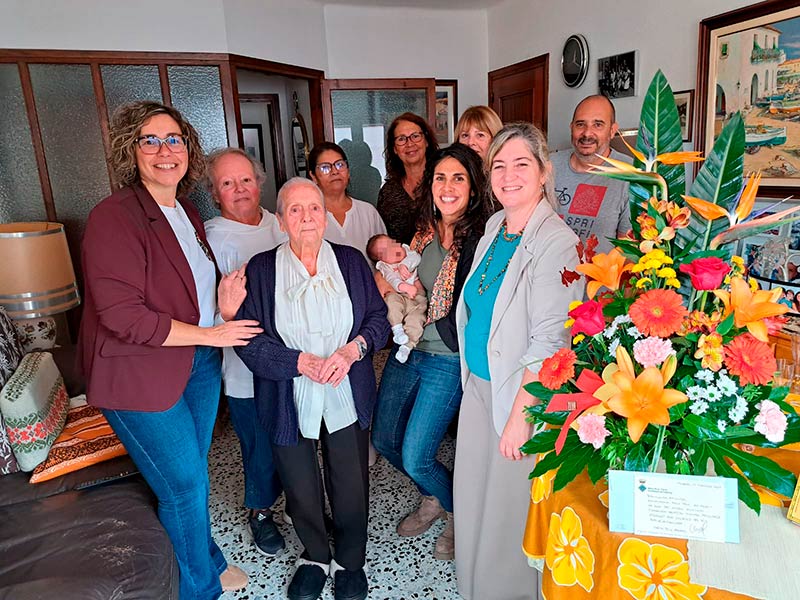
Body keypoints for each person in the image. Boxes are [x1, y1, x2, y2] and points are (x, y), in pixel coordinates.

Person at [78, 101, 261, 599]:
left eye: (174, 139)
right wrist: (211, 336)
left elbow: (186, 287)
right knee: (182, 485)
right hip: (140, 377)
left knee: (192, 477)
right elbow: (122, 316)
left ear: (188, 149)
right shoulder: (114, 216)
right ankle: (200, 589)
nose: (165, 151)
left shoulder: (184, 210)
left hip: (194, 364)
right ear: (130, 150)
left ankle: (203, 559)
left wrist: (221, 308)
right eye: (150, 140)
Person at [234, 178, 389, 600]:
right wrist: (298, 362)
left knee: (351, 480)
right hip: (289, 397)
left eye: (314, 208)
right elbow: (246, 338)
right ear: (281, 221)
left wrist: (354, 350)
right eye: (295, 210)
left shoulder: (353, 262)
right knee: (300, 482)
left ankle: (351, 559)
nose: (307, 218)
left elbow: (378, 320)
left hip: (346, 391)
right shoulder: (261, 270)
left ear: (325, 215)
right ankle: (316, 555)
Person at [453, 122, 584, 600]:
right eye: (499, 166)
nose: (508, 176)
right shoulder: (494, 227)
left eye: (521, 164)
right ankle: (472, 587)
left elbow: (551, 340)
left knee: (509, 510)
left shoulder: (557, 242)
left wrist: (520, 418)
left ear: (545, 171)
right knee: (474, 497)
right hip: (481, 384)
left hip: (521, 398)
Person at [372, 143, 493, 561]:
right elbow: (399, 270)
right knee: (384, 438)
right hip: (409, 349)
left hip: (446, 356)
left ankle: (459, 511)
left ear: (473, 187)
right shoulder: (422, 230)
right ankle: (432, 497)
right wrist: (387, 285)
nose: (447, 186)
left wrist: (424, 323)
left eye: (458, 177)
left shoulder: (482, 238)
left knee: (418, 455)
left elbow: (476, 304)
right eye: (440, 177)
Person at [204, 147, 288, 557]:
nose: (239, 190)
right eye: (227, 183)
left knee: (294, 435)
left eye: (246, 180)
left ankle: (299, 502)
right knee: (257, 440)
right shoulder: (210, 238)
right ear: (215, 192)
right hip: (243, 364)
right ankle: (260, 510)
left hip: (292, 358)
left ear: (260, 182)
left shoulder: (283, 223)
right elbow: (203, 309)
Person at [550, 94, 632, 253]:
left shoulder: (630, 174)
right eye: (580, 124)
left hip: (599, 276)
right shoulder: (548, 165)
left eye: (598, 125)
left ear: (612, 130)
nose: (587, 134)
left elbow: (627, 250)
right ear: (571, 127)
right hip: (548, 270)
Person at [308, 141, 387, 263]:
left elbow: (387, 259)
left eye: (340, 165)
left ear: (348, 171)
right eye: (325, 168)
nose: (334, 171)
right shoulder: (307, 218)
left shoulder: (368, 212)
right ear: (313, 176)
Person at [377, 112, 439, 245]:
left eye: (415, 136)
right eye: (401, 139)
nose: (409, 144)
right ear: (394, 148)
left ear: (426, 141)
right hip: (401, 264)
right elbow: (385, 240)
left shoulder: (442, 181)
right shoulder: (388, 192)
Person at [366, 234, 427, 363]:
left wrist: (403, 265)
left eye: (392, 243)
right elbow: (392, 279)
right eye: (385, 250)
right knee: (391, 302)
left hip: (418, 298)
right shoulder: (385, 267)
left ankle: (407, 346)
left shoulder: (407, 252)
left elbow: (416, 258)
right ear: (381, 260)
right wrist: (404, 287)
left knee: (417, 319)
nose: (392, 249)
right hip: (400, 295)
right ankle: (397, 329)